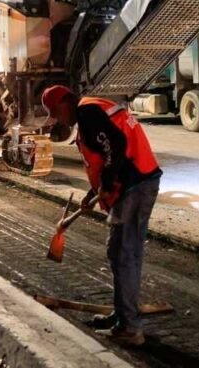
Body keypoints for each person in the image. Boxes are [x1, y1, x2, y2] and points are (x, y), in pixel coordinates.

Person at [41, 86, 162, 346]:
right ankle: (121, 315)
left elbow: (115, 146)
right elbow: (105, 153)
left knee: (125, 256)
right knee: (118, 253)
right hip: (136, 184)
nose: (60, 120)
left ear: (64, 104)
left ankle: (130, 327)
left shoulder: (87, 112)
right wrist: (94, 190)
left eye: (56, 114)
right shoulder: (91, 110)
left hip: (135, 186)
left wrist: (106, 181)